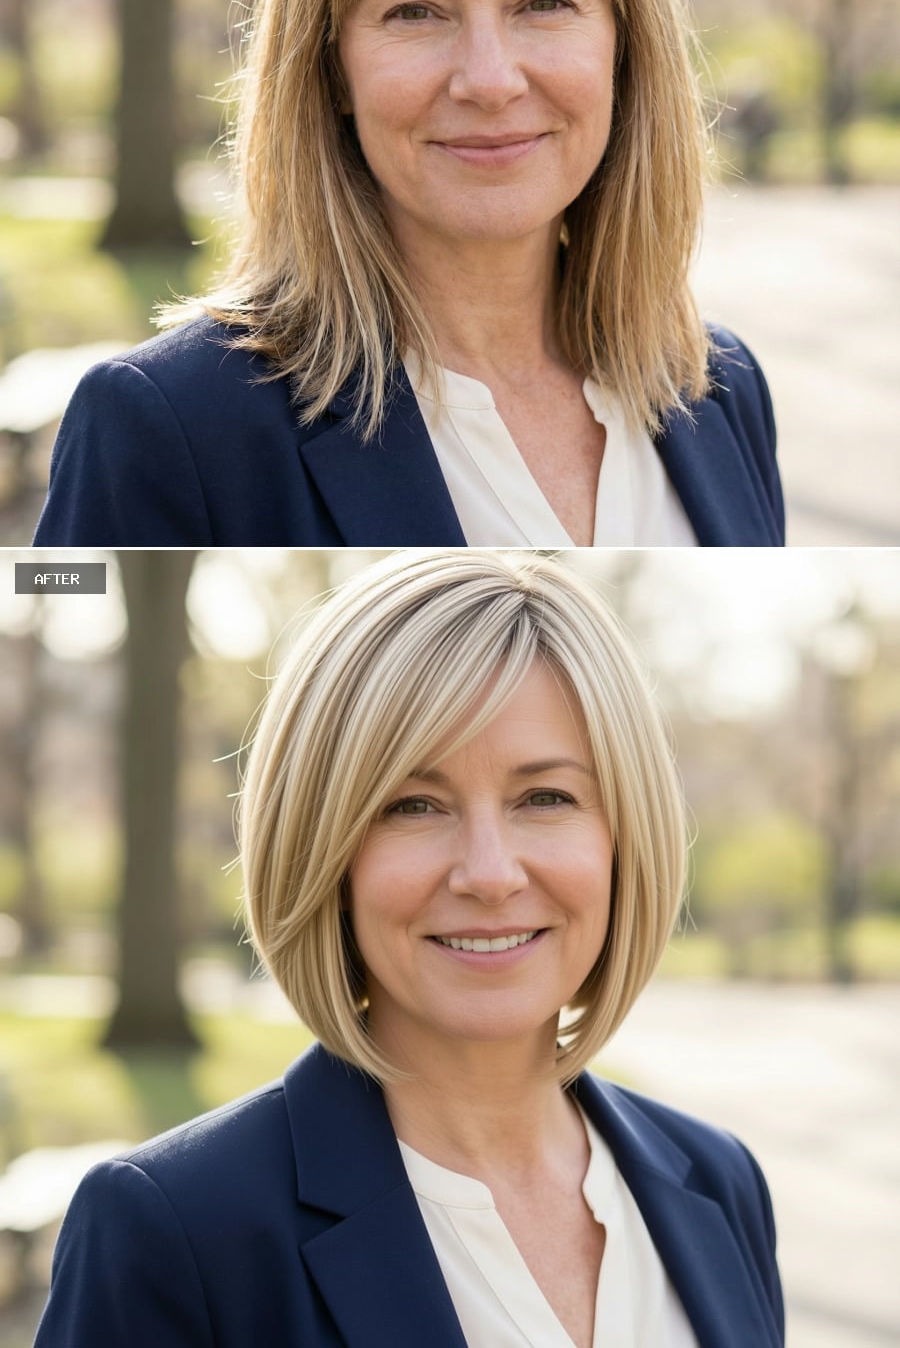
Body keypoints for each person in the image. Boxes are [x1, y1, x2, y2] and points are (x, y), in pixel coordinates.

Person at [34, 0, 783, 550]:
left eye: (544, 2)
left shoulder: (721, 388)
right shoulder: (167, 424)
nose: (490, 80)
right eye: (415, 12)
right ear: (331, 67)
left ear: (624, 47)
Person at [36, 550, 785, 1347]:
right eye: (413, 805)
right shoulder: (176, 1230)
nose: (490, 875)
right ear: (325, 850)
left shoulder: (718, 1180)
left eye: (545, 797)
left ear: (622, 837)